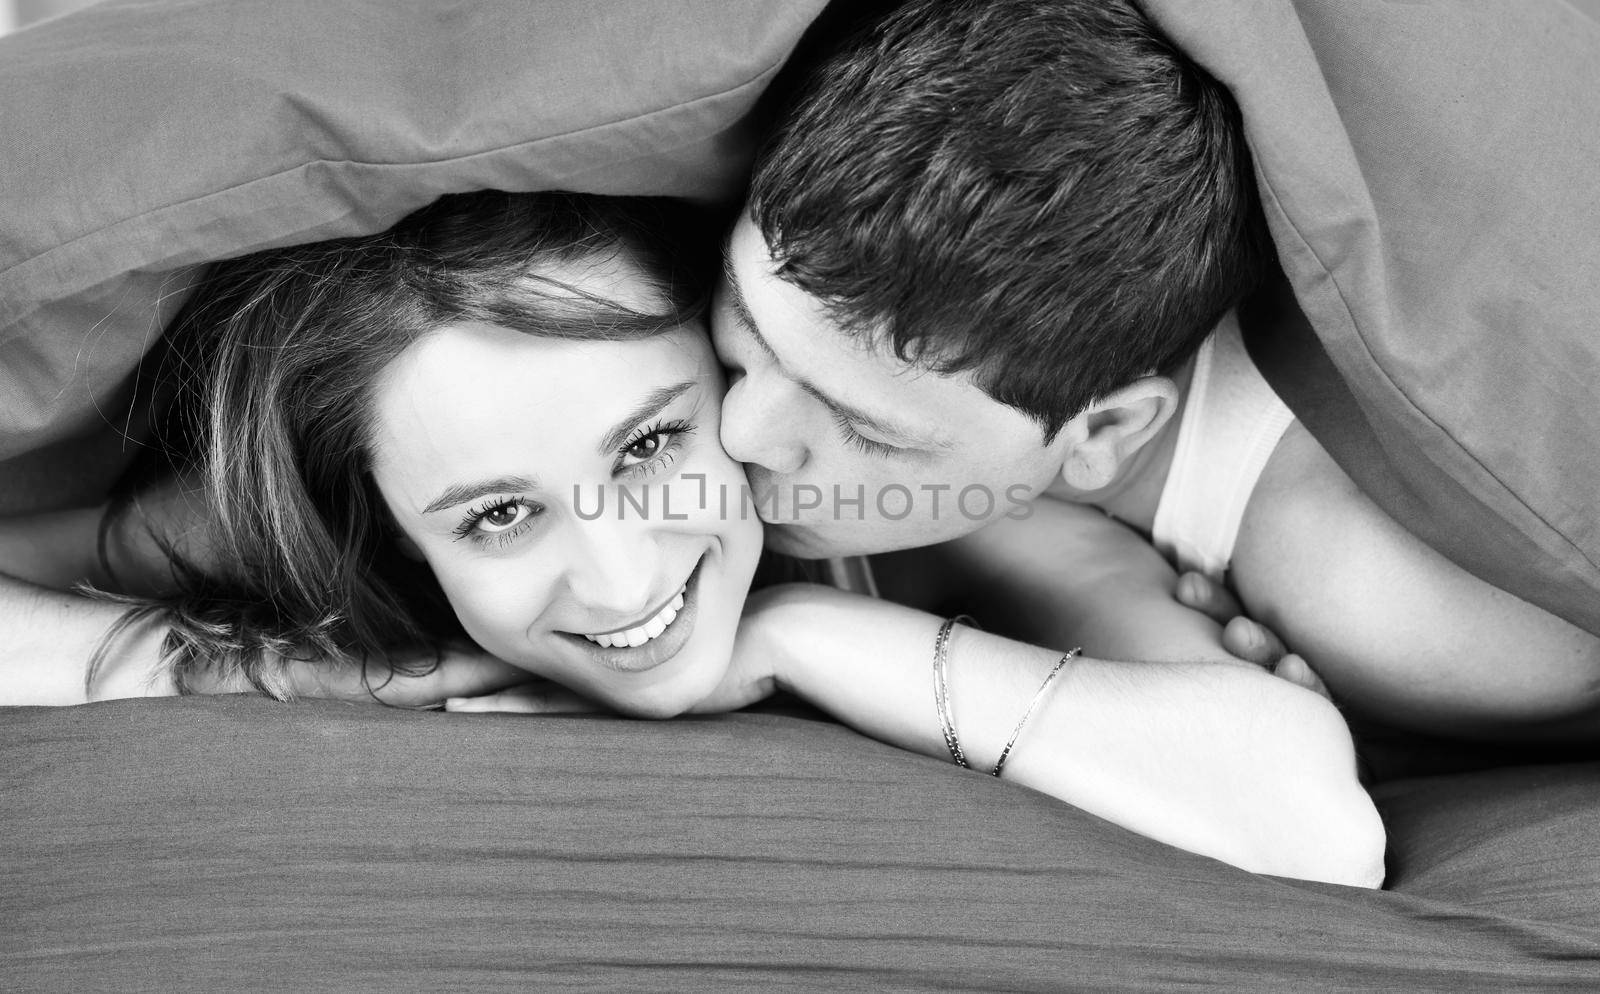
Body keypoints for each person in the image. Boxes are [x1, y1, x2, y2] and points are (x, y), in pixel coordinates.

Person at [0, 189, 1381, 886]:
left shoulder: (911, 531)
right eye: (496, 514)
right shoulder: (312, 531)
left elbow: (1313, 825)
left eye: (654, 444)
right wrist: (260, 673)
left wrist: (806, 632)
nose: (621, 572)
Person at [708, 0, 1600, 746]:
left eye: (863, 428)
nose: (742, 431)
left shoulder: (1373, 596)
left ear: (1104, 434)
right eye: (745, 324)